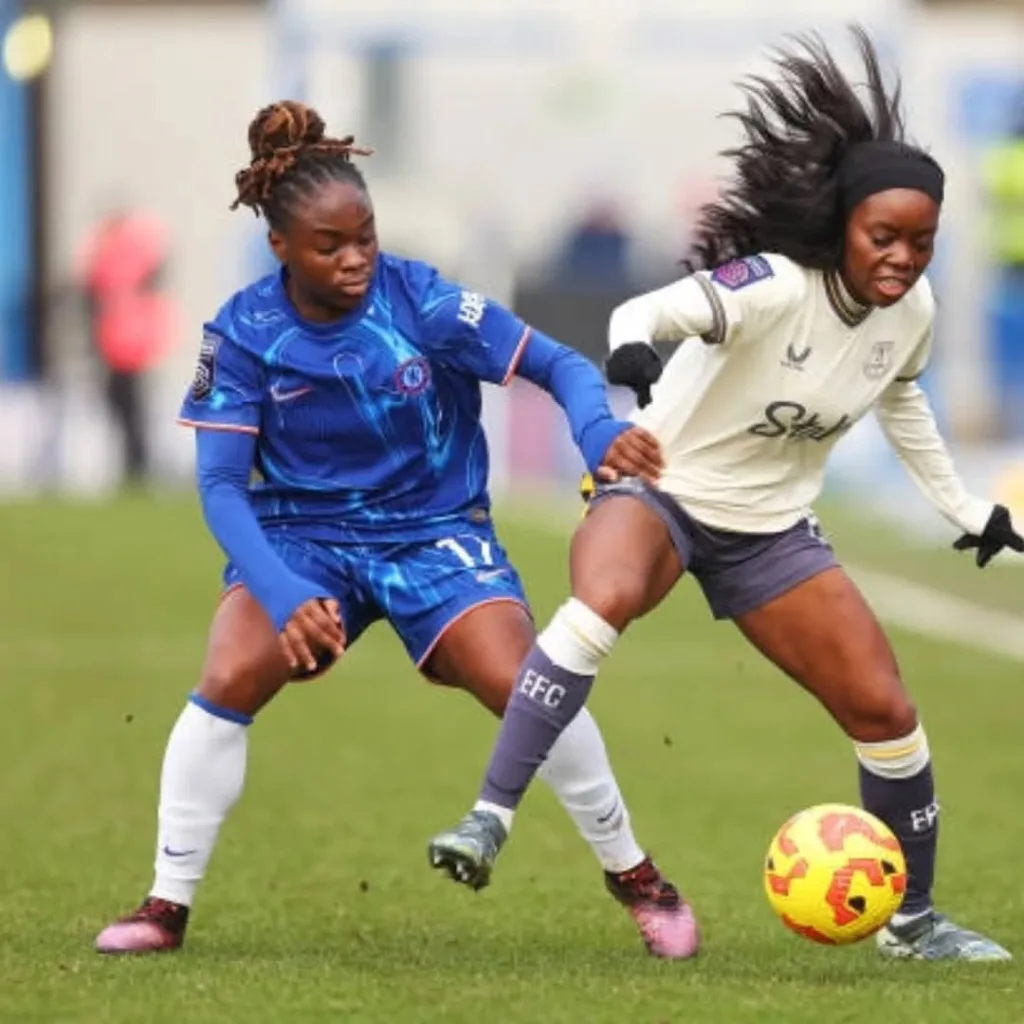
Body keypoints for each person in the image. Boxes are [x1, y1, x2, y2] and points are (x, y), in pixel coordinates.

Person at [428, 28, 1022, 963]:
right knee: (605, 599)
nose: (904, 256)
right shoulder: (773, 287)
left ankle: (913, 924)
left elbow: (903, 402)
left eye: (922, 240)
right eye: (885, 235)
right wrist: (631, 357)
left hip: (771, 534)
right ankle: (488, 818)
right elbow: (645, 314)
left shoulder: (913, 315)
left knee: (886, 711)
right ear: (842, 228)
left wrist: (969, 511)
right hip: (660, 489)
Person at [92, 100, 700, 959]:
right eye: (330, 246)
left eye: (366, 237)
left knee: (528, 683)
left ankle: (638, 878)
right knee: (228, 674)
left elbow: (559, 363)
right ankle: (165, 906)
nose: (355, 259)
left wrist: (597, 432)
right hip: (302, 537)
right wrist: (281, 587)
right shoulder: (242, 332)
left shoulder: (424, 299)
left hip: (432, 530)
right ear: (281, 250)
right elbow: (223, 488)